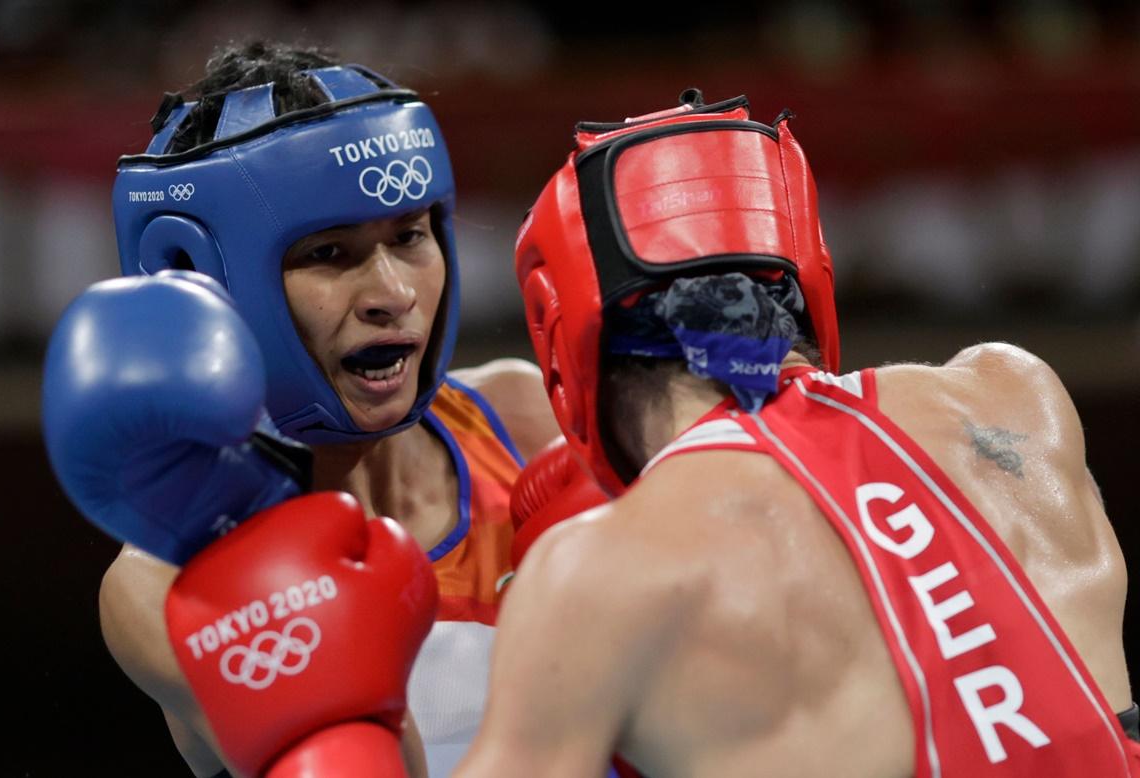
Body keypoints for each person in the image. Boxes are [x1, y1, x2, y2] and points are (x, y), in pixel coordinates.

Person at [452, 92, 1140, 776]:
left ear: (564, 346)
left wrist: (351, 725)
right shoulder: (1014, 395)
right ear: (806, 280)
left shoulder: (600, 569)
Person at [57, 41, 562, 778]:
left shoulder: (526, 422)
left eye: (409, 236)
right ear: (200, 277)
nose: (393, 293)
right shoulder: (169, 584)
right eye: (329, 254)